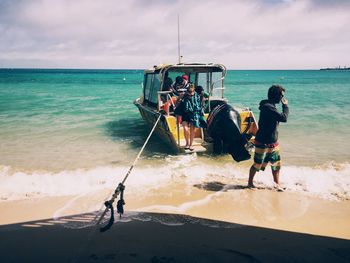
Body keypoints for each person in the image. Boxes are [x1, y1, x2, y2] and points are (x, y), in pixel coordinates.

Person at [248, 84, 289, 191]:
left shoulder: (270, 106)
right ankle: (250, 183)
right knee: (257, 164)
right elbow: (283, 118)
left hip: (273, 141)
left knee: (276, 164)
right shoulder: (268, 107)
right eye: (281, 96)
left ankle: (277, 184)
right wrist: (285, 106)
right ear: (275, 96)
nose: (282, 98)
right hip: (263, 141)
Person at [182, 83, 207, 151]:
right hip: (185, 114)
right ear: (187, 91)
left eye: (191, 92)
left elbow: (200, 106)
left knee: (192, 130)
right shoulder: (184, 96)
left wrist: (200, 114)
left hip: (194, 114)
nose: (190, 93)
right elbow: (178, 104)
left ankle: (190, 145)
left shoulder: (197, 96)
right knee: (185, 129)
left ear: (194, 91)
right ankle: (187, 143)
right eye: (189, 92)